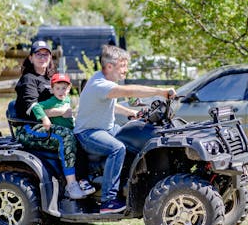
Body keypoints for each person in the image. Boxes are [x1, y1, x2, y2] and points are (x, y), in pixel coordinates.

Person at [74, 45, 176, 214]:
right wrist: (161, 91)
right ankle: (108, 200)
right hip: (88, 133)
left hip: (106, 128)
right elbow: (129, 90)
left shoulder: (104, 81)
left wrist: (131, 114)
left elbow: (108, 105)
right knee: (117, 148)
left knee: (131, 136)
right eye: (122, 66)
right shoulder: (100, 84)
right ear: (109, 67)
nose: (126, 71)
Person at [14, 40, 93, 199]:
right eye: (38, 54)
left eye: (46, 54)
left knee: (82, 133)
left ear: (50, 57)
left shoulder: (51, 78)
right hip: (29, 128)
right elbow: (30, 108)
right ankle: (71, 185)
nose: (42, 57)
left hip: (48, 125)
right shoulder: (28, 79)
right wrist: (60, 112)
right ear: (31, 58)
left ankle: (86, 178)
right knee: (66, 136)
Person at [31, 73, 95, 199]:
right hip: (63, 134)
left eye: (64, 88)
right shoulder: (51, 101)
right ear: (52, 89)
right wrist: (45, 118)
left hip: (72, 130)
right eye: (58, 88)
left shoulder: (67, 99)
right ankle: (81, 180)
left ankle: (91, 176)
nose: (61, 91)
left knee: (85, 145)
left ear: (69, 88)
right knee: (78, 151)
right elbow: (36, 106)